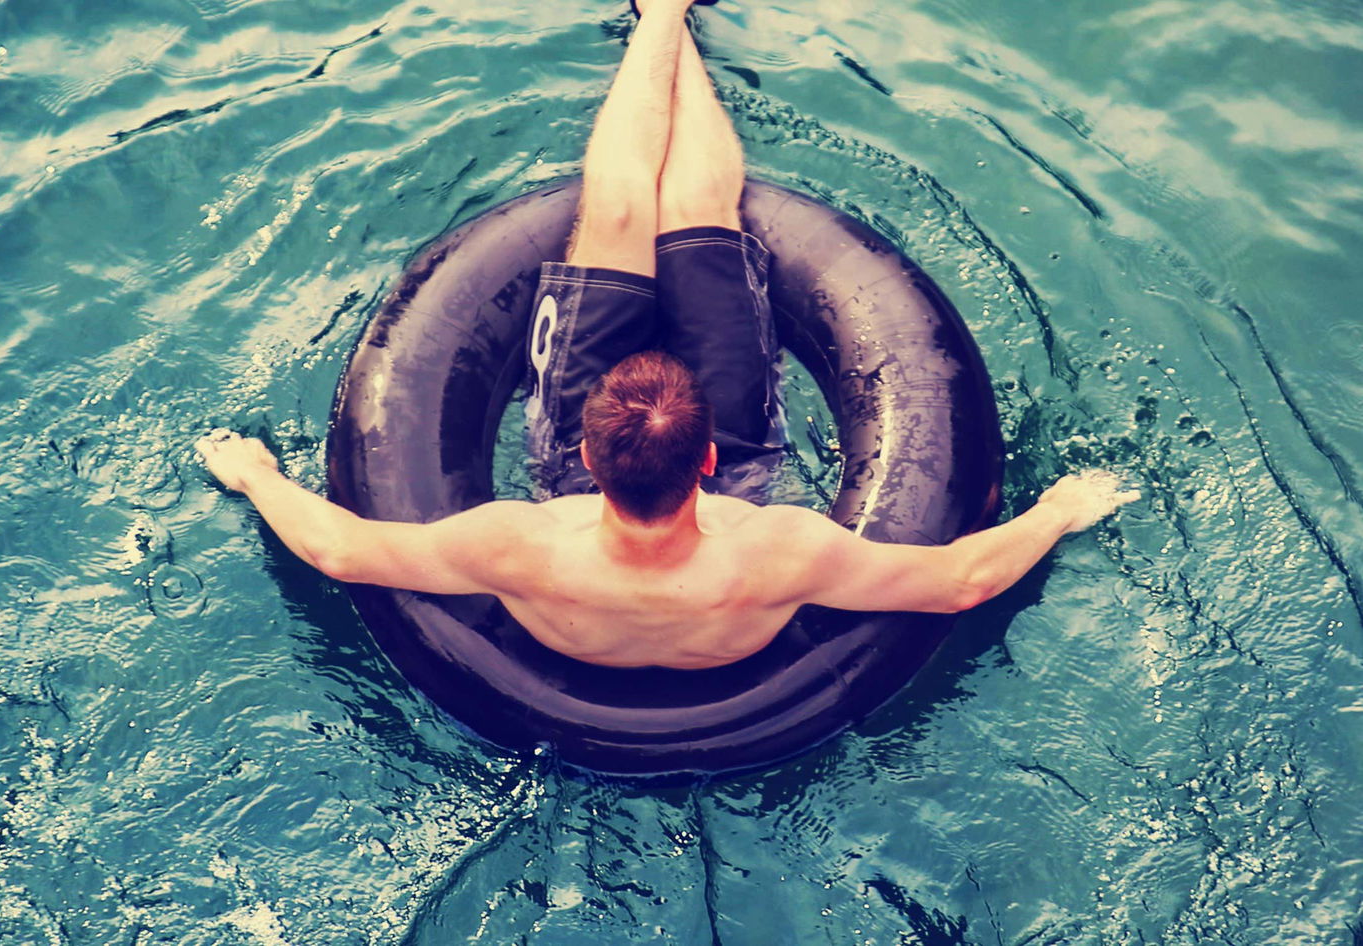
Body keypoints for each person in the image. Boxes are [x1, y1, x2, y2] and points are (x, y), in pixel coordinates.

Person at [197, 0, 1138, 670]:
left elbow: (342, 551)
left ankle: (656, 20)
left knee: (612, 216)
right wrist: (1060, 508)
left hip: (583, 554)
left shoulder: (519, 543)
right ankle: (669, 15)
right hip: (729, 535)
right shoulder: (780, 554)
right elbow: (964, 581)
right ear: (708, 458)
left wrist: (255, 476)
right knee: (699, 211)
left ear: (587, 459)